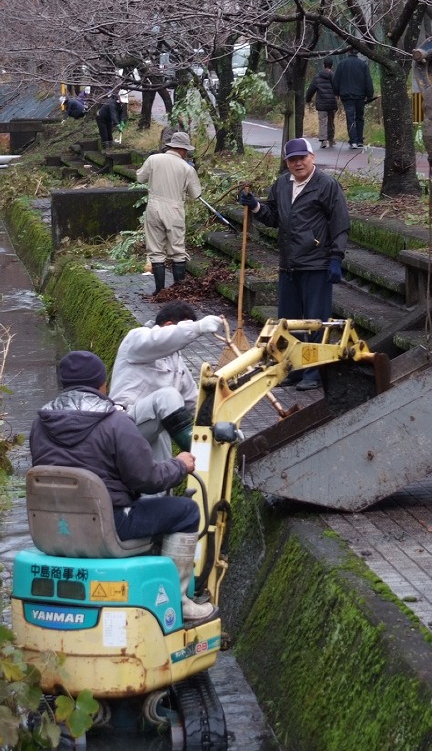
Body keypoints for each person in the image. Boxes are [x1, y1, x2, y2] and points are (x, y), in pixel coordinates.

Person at [30, 350, 216, 624]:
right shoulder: (115, 422)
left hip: (52, 530)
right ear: (102, 383)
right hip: (110, 526)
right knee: (185, 511)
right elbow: (147, 479)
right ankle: (179, 601)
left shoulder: (40, 423)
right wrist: (179, 465)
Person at [238, 138, 349, 391]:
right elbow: (275, 218)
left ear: (312, 157)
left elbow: (340, 223)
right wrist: (256, 207)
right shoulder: (281, 184)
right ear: (286, 162)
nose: (298, 163)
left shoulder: (327, 185)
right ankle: (294, 368)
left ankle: (314, 372)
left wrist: (335, 258)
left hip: (316, 264)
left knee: (315, 321)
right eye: (292, 159)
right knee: (288, 323)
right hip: (288, 264)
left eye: (302, 158)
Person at [110, 300, 224, 459]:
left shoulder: (178, 364)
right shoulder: (137, 338)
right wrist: (197, 327)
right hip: (123, 423)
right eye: (183, 328)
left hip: (150, 428)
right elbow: (157, 340)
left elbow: (193, 402)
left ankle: (168, 478)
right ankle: (199, 452)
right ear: (169, 325)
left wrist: (224, 411)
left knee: (165, 435)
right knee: (167, 396)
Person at [135, 131, 202, 293]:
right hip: (174, 210)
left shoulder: (153, 159)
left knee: (156, 250)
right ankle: (178, 290)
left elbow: (140, 178)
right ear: (183, 150)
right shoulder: (187, 168)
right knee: (177, 250)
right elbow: (196, 194)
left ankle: (160, 291)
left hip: (154, 207)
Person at [332, 52, 374, 149]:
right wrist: (369, 94)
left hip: (346, 95)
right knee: (359, 117)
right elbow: (368, 80)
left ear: (348, 53)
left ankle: (353, 141)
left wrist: (336, 93)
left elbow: (336, 80)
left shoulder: (342, 64)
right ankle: (360, 140)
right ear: (357, 53)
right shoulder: (363, 64)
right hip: (360, 95)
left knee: (350, 117)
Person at [305, 58, 338, 148]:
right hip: (331, 102)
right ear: (332, 66)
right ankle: (331, 139)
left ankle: (323, 140)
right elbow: (337, 88)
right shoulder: (334, 76)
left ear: (323, 65)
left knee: (323, 121)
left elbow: (311, 89)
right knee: (331, 122)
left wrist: (308, 99)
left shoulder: (318, 77)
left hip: (322, 103)